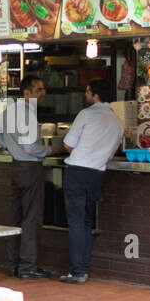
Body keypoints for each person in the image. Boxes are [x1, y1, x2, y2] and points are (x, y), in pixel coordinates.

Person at [59, 78, 123, 285]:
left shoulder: (86, 114)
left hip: (77, 172)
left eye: (87, 91)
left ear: (95, 94)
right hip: (97, 174)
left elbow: (68, 144)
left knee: (76, 222)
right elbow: (111, 153)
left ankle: (78, 271)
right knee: (86, 221)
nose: (85, 95)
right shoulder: (117, 121)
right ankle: (83, 268)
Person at [0, 75, 51, 278]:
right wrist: (49, 150)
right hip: (30, 168)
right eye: (38, 90)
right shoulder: (28, 114)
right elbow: (31, 147)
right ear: (26, 93)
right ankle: (28, 266)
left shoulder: (11, 111)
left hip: (16, 166)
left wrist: (9, 146)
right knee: (31, 218)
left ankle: (14, 264)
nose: (43, 93)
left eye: (43, 89)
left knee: (16, 217)